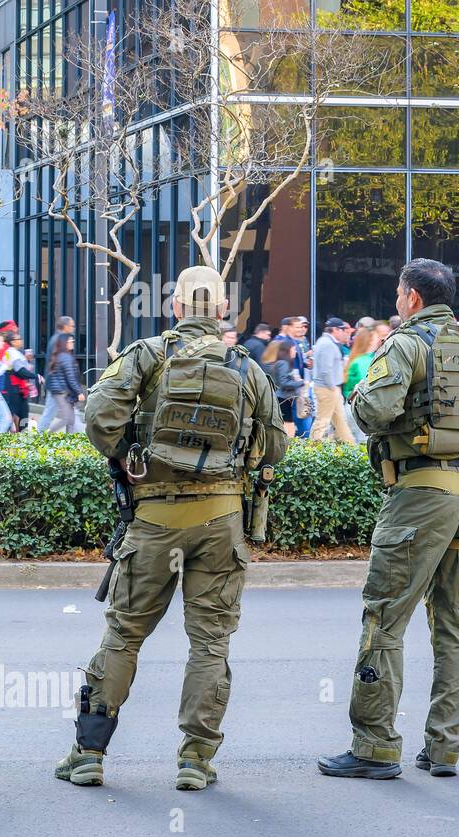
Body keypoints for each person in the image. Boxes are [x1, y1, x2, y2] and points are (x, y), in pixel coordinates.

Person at [54, 266, 287, 791]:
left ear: (176, 308)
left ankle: (89, 754)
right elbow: (273, 446)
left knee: (123, 635)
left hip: (155, 518)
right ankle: (195, 760)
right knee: (209, 643)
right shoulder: (247, 367)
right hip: (222, 519)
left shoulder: (147, 355)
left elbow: (98, 414)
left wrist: (131, 453)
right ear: (223, 311)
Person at [318, 258, 459, 781]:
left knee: (384, 619)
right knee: (454, 626)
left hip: (418, 495)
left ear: (410, 297)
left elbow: (371, 413)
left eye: (398, 294)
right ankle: (445, 748)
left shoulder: (405, 344)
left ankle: (374, 747)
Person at [310, 317, 356, 443]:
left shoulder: (324, 341)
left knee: (340, 420)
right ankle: (312, 448)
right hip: (327, 388)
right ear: (335, 330)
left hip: (329, 387)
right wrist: (333, 387)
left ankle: (351, 445)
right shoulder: (327, 344)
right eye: (342, 330)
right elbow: (326, 370)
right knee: (323, 420)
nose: (344, 332)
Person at [38, 316, 77, 430]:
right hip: (58, 385)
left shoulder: (58, 338)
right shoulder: (60, 340)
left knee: (67, 415)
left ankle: (70, 438)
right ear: (65, 327)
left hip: (57, 384)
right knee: (52, 413)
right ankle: (40, 436)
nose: (73, 328)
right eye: (72, 326)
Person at [262, 336, 304, 438]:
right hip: (283, 398)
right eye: (293, 349)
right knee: (288, 424)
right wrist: (301, 383)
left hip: (284, 398)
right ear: (287, 350)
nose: (295, 351)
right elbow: (284, 383)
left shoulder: (282, 363)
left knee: (287, 423)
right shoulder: (283, 364)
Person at [43, 331, 84, 433]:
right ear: (64, 343)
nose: (72, 342)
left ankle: (69, 439)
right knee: (68, 418)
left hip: (62, 391)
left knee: (71, 419)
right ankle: (47, 435)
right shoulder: (65, 357)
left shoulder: (61, 355)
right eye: (70, 341)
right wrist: (79, 392)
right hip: (62, 391)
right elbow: (71, 378)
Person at [343, 327, 377, 401]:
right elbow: (368, 384)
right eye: (376, 338)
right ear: (369, 341)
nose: (380, 340)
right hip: (360, 404)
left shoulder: (360, 358)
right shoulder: (362, 361)